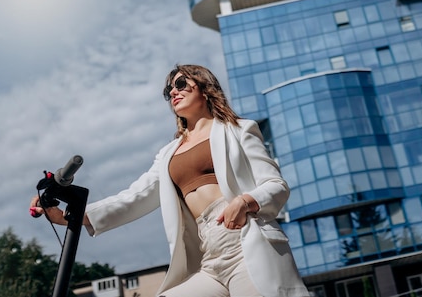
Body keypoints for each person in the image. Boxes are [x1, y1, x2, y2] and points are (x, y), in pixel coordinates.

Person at [30, 64, 309, 297]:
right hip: (208, 256)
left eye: (180, 83)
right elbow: (134, 197)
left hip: (245, 243)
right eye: (168, 90)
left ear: (204, 87)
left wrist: (245, 202)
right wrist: (70, 216)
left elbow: (276, 186)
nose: (173, 91)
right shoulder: (169, 154)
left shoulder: (239, 130)